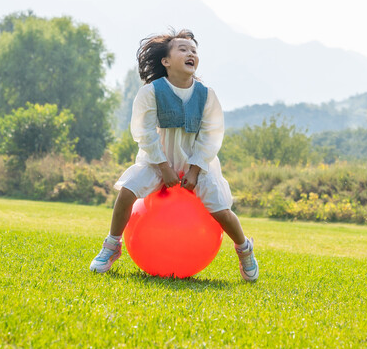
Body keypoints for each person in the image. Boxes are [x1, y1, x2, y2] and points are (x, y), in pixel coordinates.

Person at [89, 29, 259, 281]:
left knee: (221, 210)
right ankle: (113, 244)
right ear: (166, 61)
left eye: (193, 51)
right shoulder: (151, 92)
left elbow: (211, 135)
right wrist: (163, 166)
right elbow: (144, 132)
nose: (190, 53)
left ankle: (244, 248)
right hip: (157, 161)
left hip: (197, 166)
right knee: (127, 191)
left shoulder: (206, 95)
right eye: (183, 49)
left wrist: (195, 169)